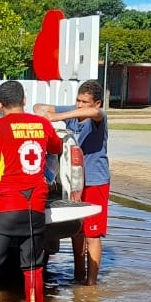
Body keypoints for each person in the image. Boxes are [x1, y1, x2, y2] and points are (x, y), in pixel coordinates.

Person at [0, 81, 63, 302]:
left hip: (5, 205)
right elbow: (57, 146)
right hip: (35, 205)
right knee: (33, 266)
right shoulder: (42, 124)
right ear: (24, 101)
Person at [33, 80, 109, 286]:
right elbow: (39, 107)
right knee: (78, 230)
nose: (79, 105)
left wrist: (57, 117)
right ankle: (78, 275)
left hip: (95, 181)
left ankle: (91, 283)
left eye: (84, 102)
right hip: (76, 182)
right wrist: (44, 113)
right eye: (77, 100)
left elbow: (95, 114)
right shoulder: (75, 111)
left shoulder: (99, 118)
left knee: (92, 234)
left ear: (97, 103)